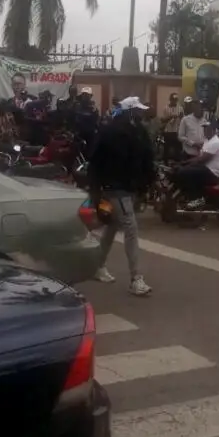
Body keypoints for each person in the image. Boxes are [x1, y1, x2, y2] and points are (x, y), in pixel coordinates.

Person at [88, 96, 154, 297]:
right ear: (130, 112)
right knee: (130, 229)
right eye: (138, 110)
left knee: (112, 227)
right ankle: (136, 279)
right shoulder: (126, 133)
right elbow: (142, 161)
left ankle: (97, 266)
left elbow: (94, 160)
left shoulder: (124, 131)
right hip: (118, 189)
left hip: (118, 188)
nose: (142, 114)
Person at [172, 119, 219, 203]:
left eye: (207, 129)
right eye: (204, 129)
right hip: (206, 168)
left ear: (213, 130)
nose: (205, 131)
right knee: (182, 170)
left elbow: (201, 160)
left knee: (184, 172)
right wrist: (183, 163)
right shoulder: (207, 141)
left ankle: (196, 199)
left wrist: (185, 165)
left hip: (212, 172)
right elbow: (199, 157)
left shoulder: (215, 142)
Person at [160, 92, 185, 161]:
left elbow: (183, 119)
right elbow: (163, 120)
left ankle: (177, 164)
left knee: (177, 150)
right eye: (173, 100)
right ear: (170, 100)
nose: (174, 101)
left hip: (177, 132)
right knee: (166, 149)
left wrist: (181, 116)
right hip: (168, 132)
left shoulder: (180, 108)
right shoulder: (165, 108)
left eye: (176, 100)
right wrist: (171, 116)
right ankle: (165, 163)